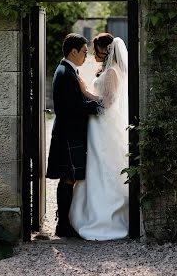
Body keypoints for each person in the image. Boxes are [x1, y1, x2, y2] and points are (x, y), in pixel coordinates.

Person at [69, 33, 129, 240]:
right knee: (95, 164)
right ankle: (89, 212)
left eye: (95, 49)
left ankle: (105, 218)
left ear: (106, 49)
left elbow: (107, 103)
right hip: (98, 124)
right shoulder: (106, 69)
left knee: (103, 164)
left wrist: (84, 91)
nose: (93, 52)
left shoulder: (112, 71)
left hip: (104, 125)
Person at [46, 33, 101, 237]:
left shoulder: (68, 70)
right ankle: (63, 225)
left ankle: (63, 222)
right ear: (73, 51)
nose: (86, 57)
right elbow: (74, 106)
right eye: (84, 52)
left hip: (68, 132)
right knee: (68, 178)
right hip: (68, 133)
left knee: (69, 178)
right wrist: (100, 107)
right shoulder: (65, 72)